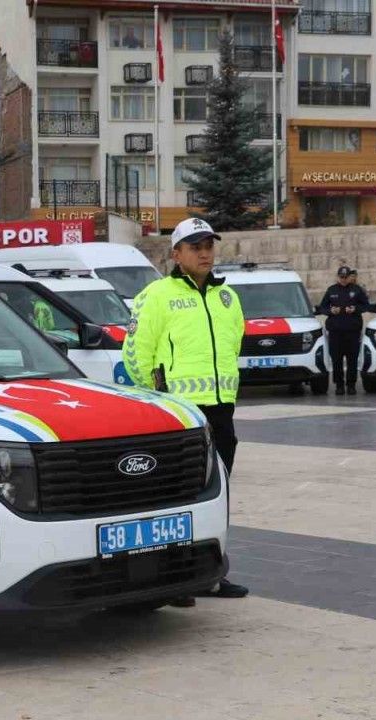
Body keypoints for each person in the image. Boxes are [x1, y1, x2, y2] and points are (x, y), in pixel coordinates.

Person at [124, 217, 249, 600]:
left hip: (221, 411)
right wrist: (157, 398)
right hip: (179, 414)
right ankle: (173, 579)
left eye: (208, 246)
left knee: (216, 496)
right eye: (195, 247)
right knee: (175, 499)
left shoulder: (227, 297)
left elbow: (234, 344)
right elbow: (135, 353)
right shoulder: (157, 295)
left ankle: (211, 573)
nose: (204, 253)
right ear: (176, 254)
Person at [316, 266, 370, 395]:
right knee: (336, 359)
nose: (344, 279)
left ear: (349, 277)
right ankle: (339, 385)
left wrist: (355, 309)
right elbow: (322, 308)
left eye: (346, 277)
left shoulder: (356, 290)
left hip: (352, 331)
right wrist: (330, 311)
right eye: (341, 277)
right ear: (338, 277)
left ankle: (351, 385)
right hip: (336, 332)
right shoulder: (331, 290)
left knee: (352, 359)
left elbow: (366, 306)